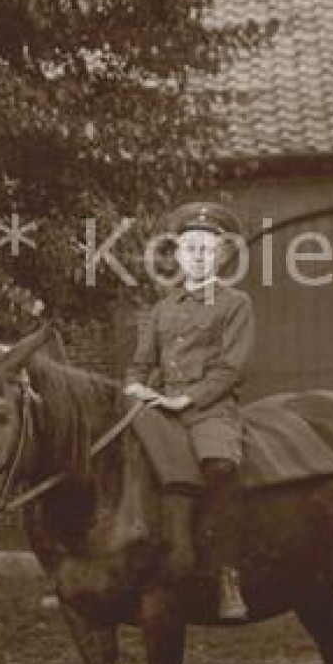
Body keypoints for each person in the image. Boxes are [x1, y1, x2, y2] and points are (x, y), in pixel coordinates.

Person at [124, 201, 254, 620]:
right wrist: (135, 386)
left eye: (207, 248)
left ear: (221, 255)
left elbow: (232, 367)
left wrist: (188, 398)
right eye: (190, 247)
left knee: (220, 466)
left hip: (209, 409)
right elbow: (143, 361)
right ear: (177, 255)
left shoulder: (235, 304)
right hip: (160, 406)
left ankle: (226, 576)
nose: (198, 255)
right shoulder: (162, 309)